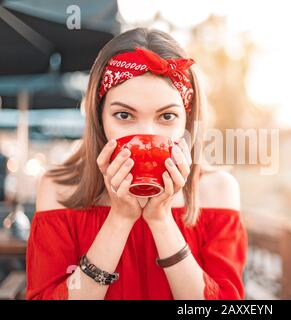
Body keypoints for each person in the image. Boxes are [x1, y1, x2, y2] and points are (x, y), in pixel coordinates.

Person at [25, 28, 247, 300]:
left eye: (166, 117)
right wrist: (120, 218)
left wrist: (161, 220)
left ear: (187, 121)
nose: (146, 136)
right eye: (124, 115)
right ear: (99, 118)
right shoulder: (58, 188)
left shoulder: (217, 190)